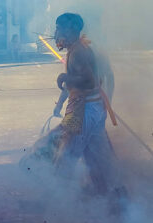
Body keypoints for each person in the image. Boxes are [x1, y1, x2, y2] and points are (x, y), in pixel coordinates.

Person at [20, 13, 121, 198]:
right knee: (97, 158)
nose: (56, 32)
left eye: (58, 28)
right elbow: (82, 82)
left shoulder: (79, 52)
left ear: (71, 30)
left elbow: (89, 81)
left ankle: (54, 204)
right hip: (92, 108)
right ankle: (116, 198)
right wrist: (60, 103)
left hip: (82, 112)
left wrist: (64, 77)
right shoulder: (77, 49)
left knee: (65, 155)